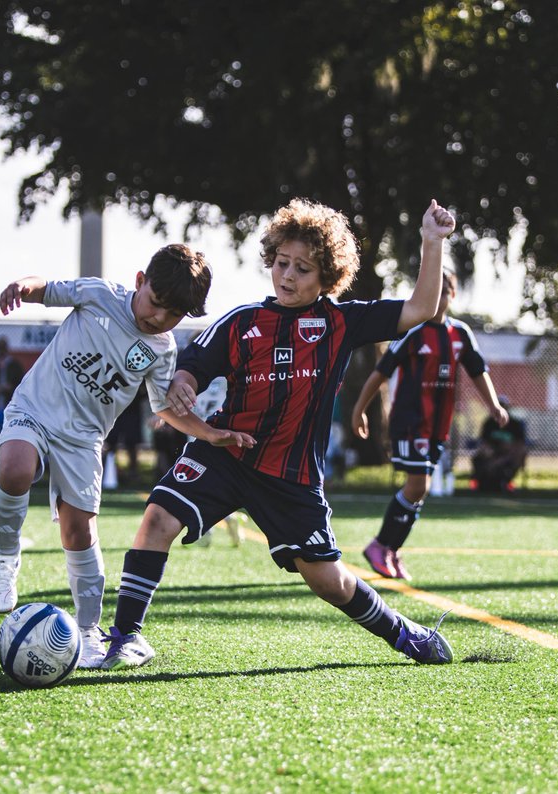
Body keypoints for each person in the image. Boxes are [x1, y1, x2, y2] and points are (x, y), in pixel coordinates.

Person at [100, 198, 458, 672]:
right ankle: (124, 637)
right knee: (157, 518)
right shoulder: (243, 321)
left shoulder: (341, 322)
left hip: (291, 477)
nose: (287, 276)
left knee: (328, 581)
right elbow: (191, 367)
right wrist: (184, 386)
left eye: (303, 269)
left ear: (327, 276)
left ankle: (403, 633)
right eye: (282, 263)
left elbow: (420, 307)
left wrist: (431, 243)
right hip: (225, 453)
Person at [0, 243, 232, 672]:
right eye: (155, 303)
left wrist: (208, 432)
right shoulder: (99, 294)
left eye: (172, 315)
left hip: (83, 440)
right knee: (15, 469)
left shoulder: (161, 349)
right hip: (35, 409)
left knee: (78, 531)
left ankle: (86, 631)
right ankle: (6, 559)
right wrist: (23, 286)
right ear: (140, 282)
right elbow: (49, 289)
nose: (158, 318)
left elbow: (164, 409)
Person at [350, 270, 508, 581]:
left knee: (418, 492)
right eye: (434, 291)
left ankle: (390, 549)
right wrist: (359, 410)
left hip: (438, 426)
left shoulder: (460, 334)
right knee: (418, 485)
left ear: (453, 295)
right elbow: (380, 373)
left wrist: (493, 405)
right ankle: (379, 545)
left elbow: (478, 371)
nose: (439, 297)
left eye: (445, 291)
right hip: (409, 422)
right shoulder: (413, 332)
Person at [472, 395, 527, 493]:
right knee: (480, 455)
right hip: (492, 453)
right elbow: (484, 442)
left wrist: (503, 457)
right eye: (499, 406)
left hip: (508, 454)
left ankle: (507, 482)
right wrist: (491, 453)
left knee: (519, 453)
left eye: (504, 406)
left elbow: (519, 444)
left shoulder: (514, 424)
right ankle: (481, 482)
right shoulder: (489, 423)